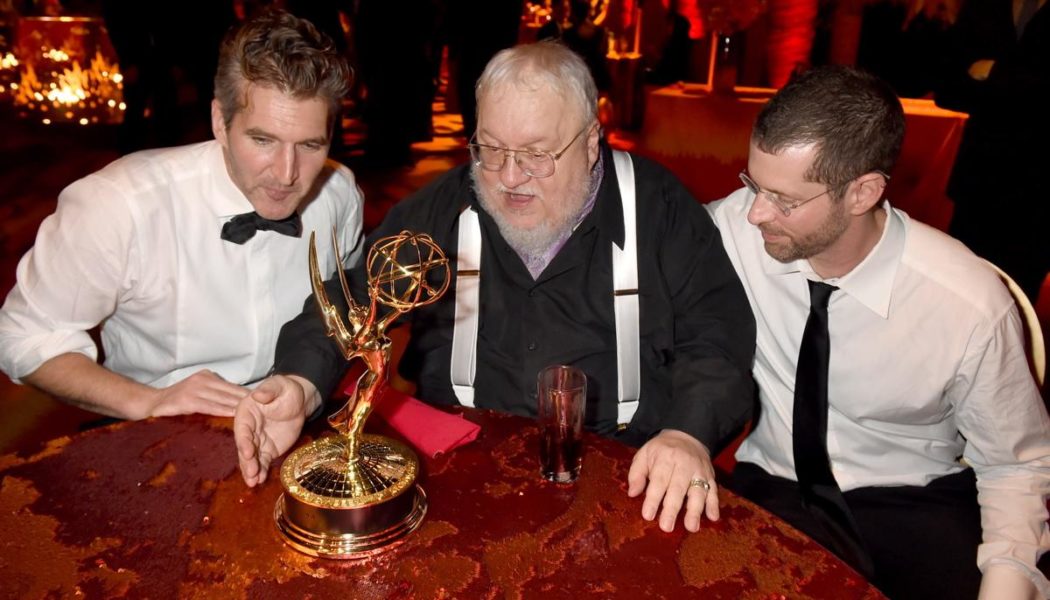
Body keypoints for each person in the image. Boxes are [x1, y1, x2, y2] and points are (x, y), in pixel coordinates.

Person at [234, 40, 756, 534]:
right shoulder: (445, 205)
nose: (508, 177)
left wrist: (687, 433)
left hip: (620, 472)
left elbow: (717, 336)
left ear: (592, 142)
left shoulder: (657, 208)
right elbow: (351, 300)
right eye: (491, 149)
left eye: (535, 154)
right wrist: (300, 384)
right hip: (456, 472)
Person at [706, 65, 1050, 599]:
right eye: (753, 184)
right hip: (772, 491)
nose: (755, 213)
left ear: (863, 192)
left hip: (914, 501)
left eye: (785, 200)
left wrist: (1007, 585)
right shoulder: (735, 229)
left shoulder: (967, 303)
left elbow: (1016, 466)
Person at [0, 10, 364, 421]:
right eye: (262, 140)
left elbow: (345, 301)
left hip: (302, 414)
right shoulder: (120, 204)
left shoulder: (339, 193)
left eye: (310, 145)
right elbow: (21, 334)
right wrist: (147, 401)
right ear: (219, 122)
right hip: (156, 430)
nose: (286, 173)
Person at [934, 0, 1049, 304]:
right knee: (955, 297)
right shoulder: (986, 5)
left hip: (1039, 190)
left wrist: (995, 73)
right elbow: (947, 88)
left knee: (1015, 306)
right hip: (978, 181)